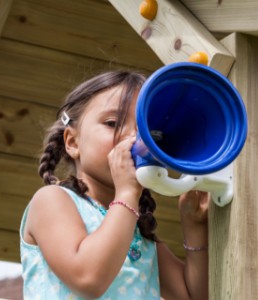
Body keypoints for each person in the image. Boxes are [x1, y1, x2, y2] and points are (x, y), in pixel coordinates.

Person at [20, 71, 209, 300]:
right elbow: (87, 278)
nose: (132, 138)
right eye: (112, 123)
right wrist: (128, 192)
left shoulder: (136, 233)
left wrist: (194, 225)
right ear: (72, 142)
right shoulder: (52, 200)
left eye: (145, 130)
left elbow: (193, 295)